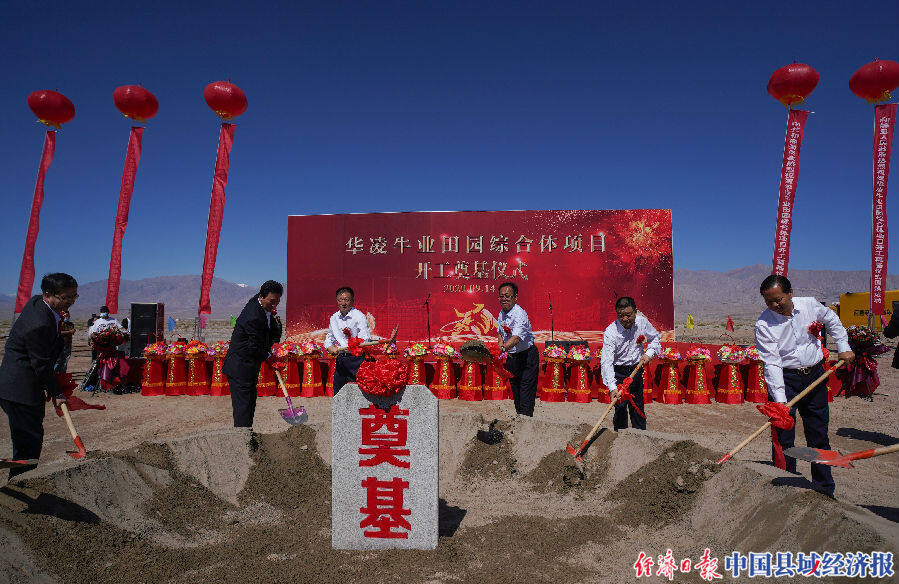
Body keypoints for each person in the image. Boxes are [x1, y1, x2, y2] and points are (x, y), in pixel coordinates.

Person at [754, 275, 855, 498]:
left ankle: (824, 488)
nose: (774, 306)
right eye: (768, 302)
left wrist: (843, 346)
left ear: (790, 293)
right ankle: (786, 484)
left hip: (815, 376)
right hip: (786, 380)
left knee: (818, 433)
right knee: (783, 435)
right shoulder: (763, 324)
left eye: (778, 300)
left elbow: (833, 321)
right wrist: (780, 403)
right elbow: (772, 363)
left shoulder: (810, 304)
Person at [0, 273, 78, 480]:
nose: (70, 302)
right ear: (47, 294)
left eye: (74, 297)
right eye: (66, 298)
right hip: (20, 388)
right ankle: (22, 485)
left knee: (28, 439)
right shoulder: (39, 323)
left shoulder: (39, 304)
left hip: (18, 384)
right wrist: (56, 392)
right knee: (28, 443)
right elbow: (40, 363)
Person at [223, 280, 283, 427]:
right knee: (243, 407)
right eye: (272, 301)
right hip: (240, 366)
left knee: (249, 403)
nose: (274, 305)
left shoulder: (264, 308)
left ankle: (247, 435)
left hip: (250, 366)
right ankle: (242, 440)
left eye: (277, 302)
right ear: (262, 296)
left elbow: (271, 333)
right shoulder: (253, 314)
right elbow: (253, 346)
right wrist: (270, 358)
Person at [600, 296, 662, 431]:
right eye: (620, 315)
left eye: (628, 315)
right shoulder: (611, 332)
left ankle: (640, 438)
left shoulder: (642, 323)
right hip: (618, 373)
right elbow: (607, 361)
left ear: (635, 311)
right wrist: (612, 387)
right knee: (620, 408)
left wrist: (649, 353)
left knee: (637, 406)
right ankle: (619, 441)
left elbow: (655, 338)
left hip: (636, 369)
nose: (624, 319)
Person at [496, 282, 539, 417]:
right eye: (501, 296)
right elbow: (500, 333)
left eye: (507, 296)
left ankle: (526, 423)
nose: (504, 299)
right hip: (513, 358)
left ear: (515, 297)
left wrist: (502, 349)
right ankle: (519, 419)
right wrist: (499, 346)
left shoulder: (520, 314)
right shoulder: (502, 313)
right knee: (515, 391)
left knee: (526, 391)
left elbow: (516, 338)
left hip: (527, 357)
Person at [325, 286, 372, 394]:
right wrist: (330, 347)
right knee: (338, 390)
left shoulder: (359, 316)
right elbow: (329, 337)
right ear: (337, 301)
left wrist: (355, 345)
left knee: (358, 391)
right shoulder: (334, 318)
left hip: (357, 360)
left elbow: (365, 339)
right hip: (341, 358)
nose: (343, 303)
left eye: (346, 300)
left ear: (352, 301)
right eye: (340, 300)